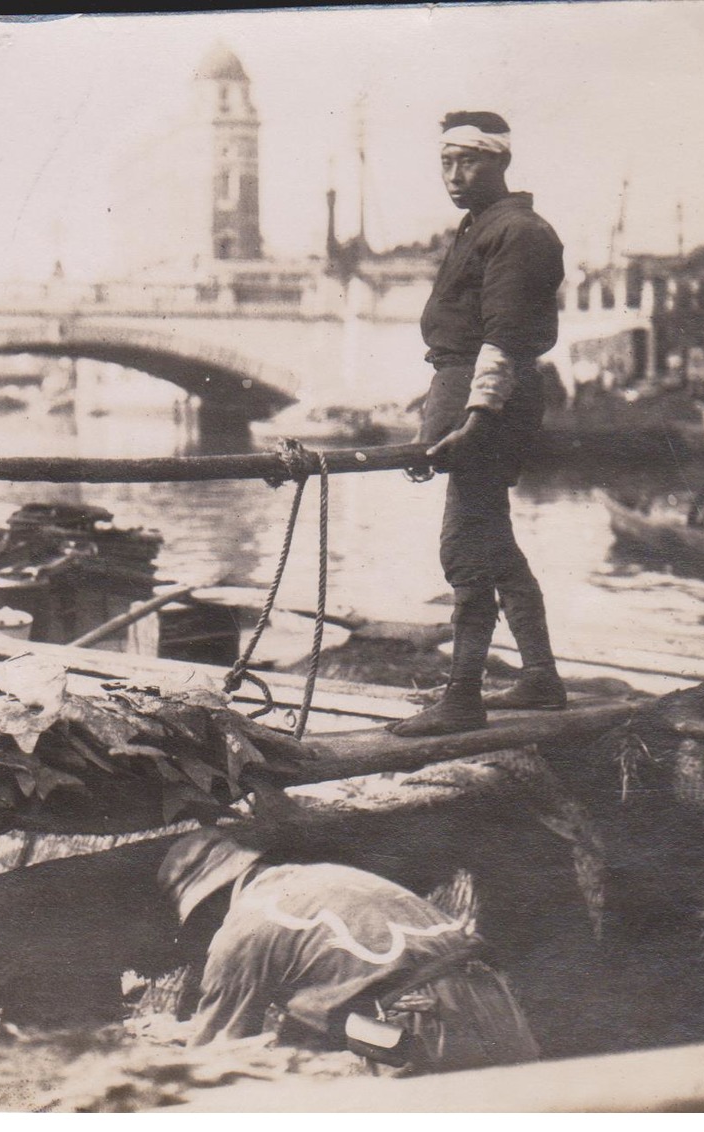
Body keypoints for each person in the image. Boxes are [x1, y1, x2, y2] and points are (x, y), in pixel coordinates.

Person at [392, 111, 568, 738]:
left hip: (490, 402)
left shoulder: (518, 232)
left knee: (465, 546)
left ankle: (463, 697)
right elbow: (460, 341)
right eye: (446, 161)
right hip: (465, 392)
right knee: (493, 542)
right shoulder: (480, 228)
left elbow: (505, 338)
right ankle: (542, 677)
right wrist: (433, 407)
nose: (455, 174)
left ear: (501, 162)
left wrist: (477, 417)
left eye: (469, 160)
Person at [158, 828, 539, 1073]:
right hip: (494, 1000)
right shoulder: (323, 875)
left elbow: (214, 1055)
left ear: (207, 902)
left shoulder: (242, 929)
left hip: (423, 1022)